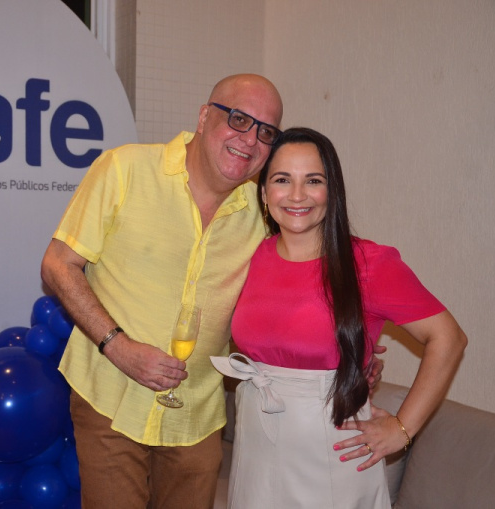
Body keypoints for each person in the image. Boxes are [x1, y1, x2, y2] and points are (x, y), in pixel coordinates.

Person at [40, 75, 382, 508]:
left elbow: (297, 290)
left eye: (266, 131)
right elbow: (58, 264)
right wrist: (117, 345)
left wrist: (350, 351)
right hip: (111, 397)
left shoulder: (266, 210)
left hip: (197, 414)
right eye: (238, 119)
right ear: (204, 117)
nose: (250, 139)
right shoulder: (125, 169)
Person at [212, 127, 468, 508]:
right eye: (282, 180)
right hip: (255, 448)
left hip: (331, 453)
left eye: (313, 181)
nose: (297, 195)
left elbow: (448, 338)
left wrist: (402, 428)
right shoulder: (253, 256)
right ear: (263, 193)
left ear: (332, 193)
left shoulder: (369, 263)